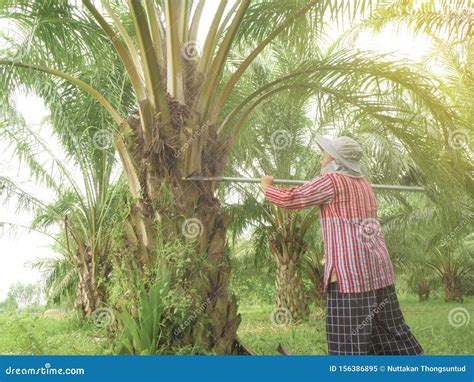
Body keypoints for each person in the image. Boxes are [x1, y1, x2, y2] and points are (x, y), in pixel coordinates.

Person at [260, 135, 424, 355]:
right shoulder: (364, 184)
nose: (321, 161)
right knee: (391, 331)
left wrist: (267, 187)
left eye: (324, 155)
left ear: (336, 161)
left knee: (347, 341)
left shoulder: (331, 181)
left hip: (350, 274)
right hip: (378, 269)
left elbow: (292, 200)